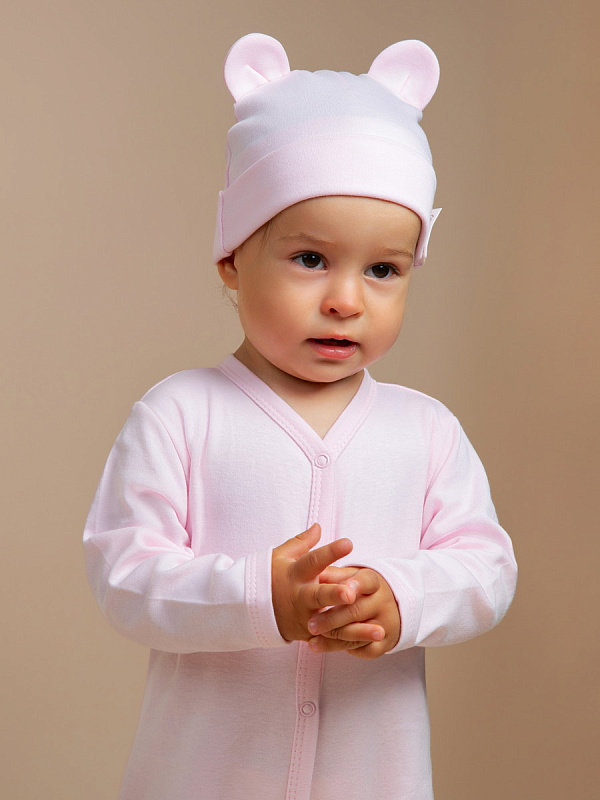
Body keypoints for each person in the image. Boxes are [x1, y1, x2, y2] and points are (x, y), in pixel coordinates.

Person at [83, 33, 517, 800]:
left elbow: (486, 567)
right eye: (311, 259)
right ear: (232, 258)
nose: (346, 300)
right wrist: (261, 596)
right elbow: (125, 573)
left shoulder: (426, 431)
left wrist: (402, 597)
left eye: (382, 269)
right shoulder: (179, 415)